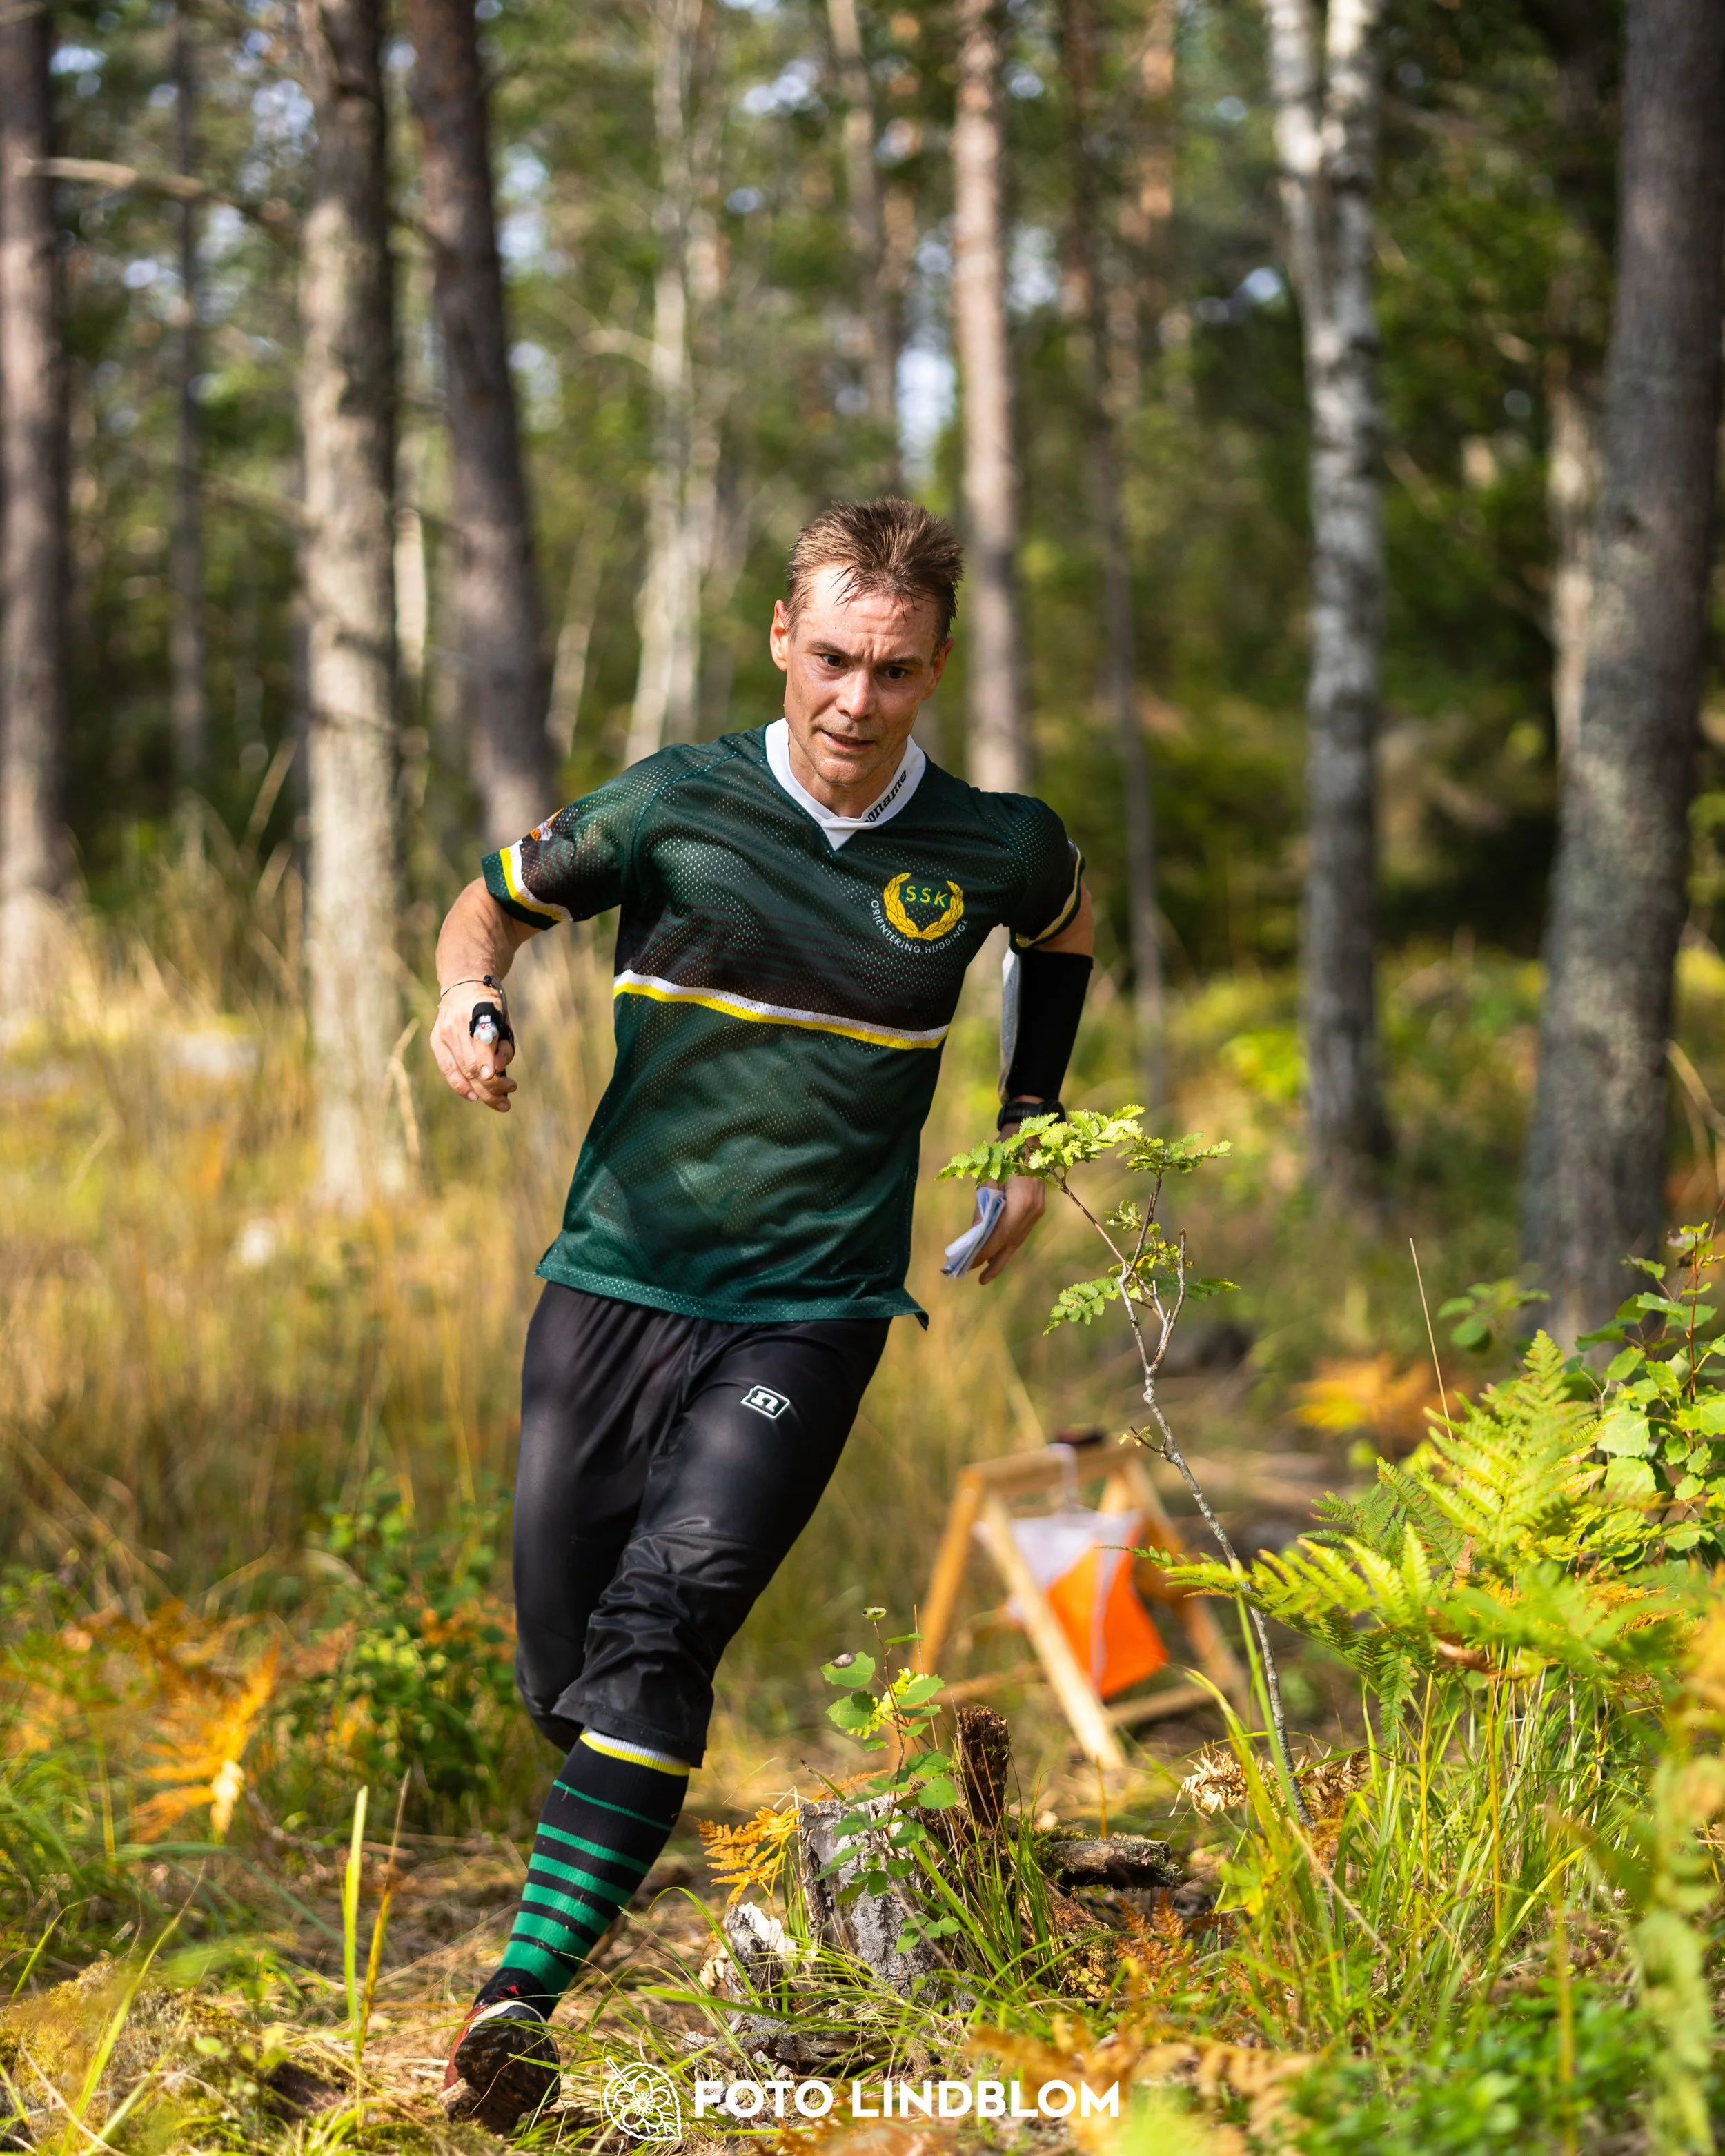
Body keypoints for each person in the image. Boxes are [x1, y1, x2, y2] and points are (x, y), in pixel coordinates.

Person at [430, 498, 1094, 2130]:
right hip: (613, 1278)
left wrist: (1028, 1128)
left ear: (933, 668)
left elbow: (1063, 923)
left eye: (896, 670)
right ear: (780, 641)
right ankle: (602, 1836)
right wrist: (467, 991)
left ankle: (517, 1999)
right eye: (833, 659)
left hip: (810, 1306)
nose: (858, 701)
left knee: (669, 1620)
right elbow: (489, 900)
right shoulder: (673, 802)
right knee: (569, 1648)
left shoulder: (991, 843)